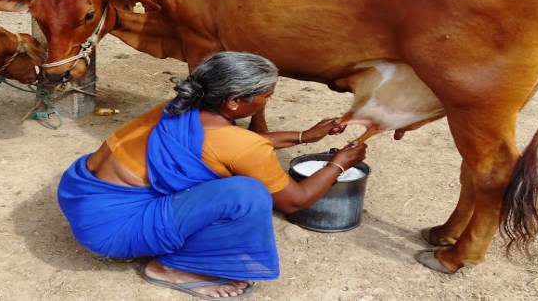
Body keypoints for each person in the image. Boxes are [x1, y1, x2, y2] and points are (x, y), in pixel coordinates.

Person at [57, 52, 368, 300]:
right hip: (112, 232)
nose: (268, 101)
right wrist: (338, 164)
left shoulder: (178, 106)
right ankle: (170, 268)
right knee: (247, 194)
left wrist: (304, 136)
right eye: (266, 96)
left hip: (81, 194)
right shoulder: (238, 145)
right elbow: (295, 201)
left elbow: (232, 147)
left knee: (221, 175)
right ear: (234, 101)